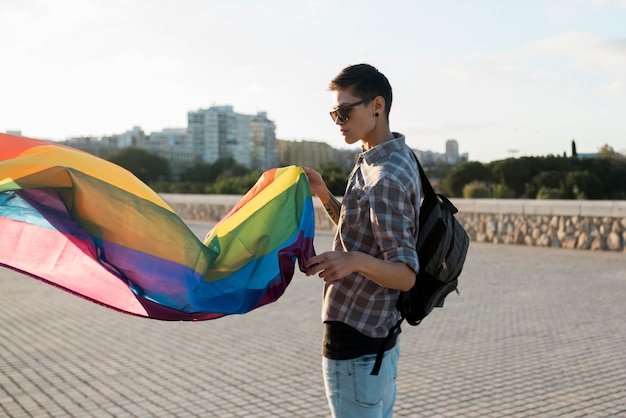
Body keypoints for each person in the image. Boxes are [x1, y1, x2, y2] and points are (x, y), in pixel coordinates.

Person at [303, 63, 421, 418]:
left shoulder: (383, 176)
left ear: (377, 106)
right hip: (378, 339)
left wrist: (352, 262)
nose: (337, 120)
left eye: (344, 110)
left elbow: (405, 273)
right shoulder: (391, 157)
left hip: (358, 341)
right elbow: (363, 232)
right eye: (333, 112)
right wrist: (325, 195)